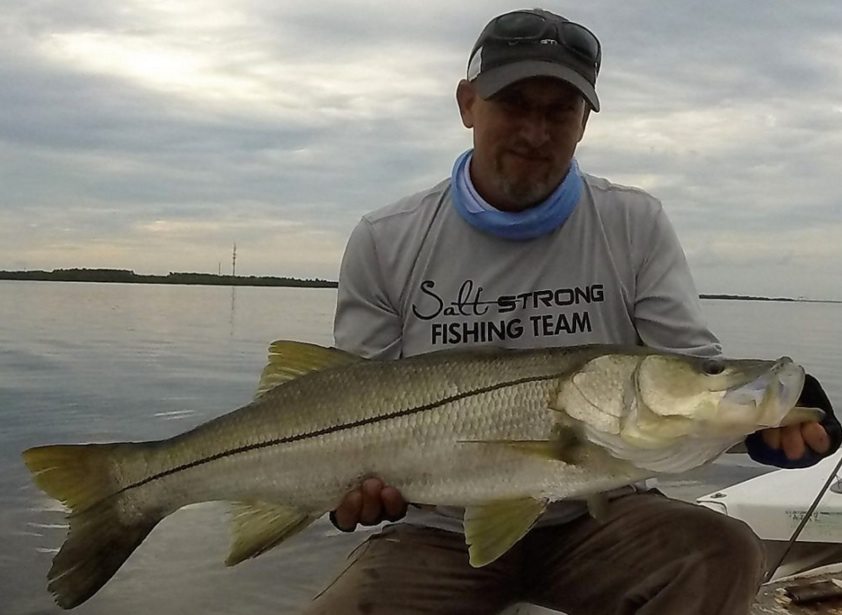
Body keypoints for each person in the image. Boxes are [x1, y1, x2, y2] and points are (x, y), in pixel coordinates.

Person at [305, 8, 841, 615]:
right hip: (438, 528)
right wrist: (350, 488)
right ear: (467, 104)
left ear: (584, 122)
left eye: (559, 110)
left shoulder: (633, 224)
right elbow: (341, 399)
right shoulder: (386, 238)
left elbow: (691, 374)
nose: (536, 132)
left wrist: (767, 430)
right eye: (513, 104)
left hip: (601, 514)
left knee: (721, 553)